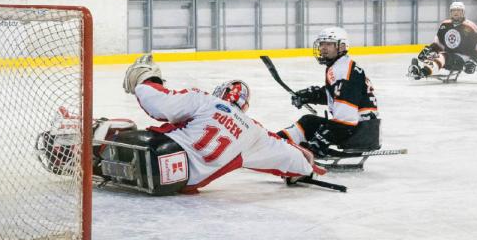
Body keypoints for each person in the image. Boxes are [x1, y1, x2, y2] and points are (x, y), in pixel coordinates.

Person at [116, 54, 321, 194]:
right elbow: (291, 157)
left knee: (122, 126)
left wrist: (146, 79)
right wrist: (305, 167)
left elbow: (160, 104)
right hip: (175, 184)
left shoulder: (206, 100)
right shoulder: (254, 131)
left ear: (220, 93)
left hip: (156, 152)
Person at [276, 27, 380, 157]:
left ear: (342, 47)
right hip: (360, 127)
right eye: (322, 44)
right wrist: (309, 96)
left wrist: (319, 142)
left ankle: (276, 146)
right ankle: (275, 143)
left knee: (310, 125)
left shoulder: (345, 72)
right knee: (308, 122)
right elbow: (336, 95)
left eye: (329, 44)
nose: (323, 48)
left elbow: (346, 119)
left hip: (360, 131)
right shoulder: (341, 66)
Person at [409, 1, 477, 79]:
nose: (456, 13)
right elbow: (439, 43)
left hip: (463, 59)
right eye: (453, 10)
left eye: (458, 10)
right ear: (450, 12)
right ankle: (419, 70)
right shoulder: (445, 24)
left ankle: (422, 72)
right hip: (448, 56)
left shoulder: (471, 26)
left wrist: (473, 62)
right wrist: (430, 49)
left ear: (463, 12)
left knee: (442, 56)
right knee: (431, 55)